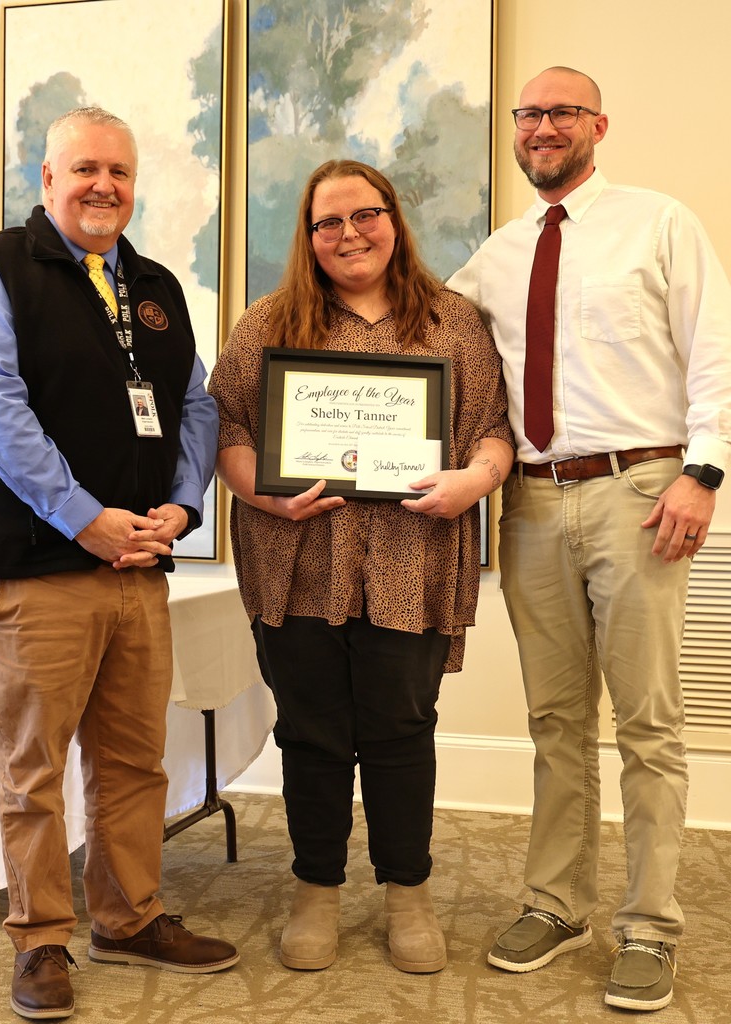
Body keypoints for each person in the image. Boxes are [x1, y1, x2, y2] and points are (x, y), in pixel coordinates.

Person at [447, 67, 731, 1011]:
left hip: (643, 493)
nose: (542, 127)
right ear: (515, 130)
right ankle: (556, 902)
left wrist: (704, 474)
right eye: (528, 114)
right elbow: (421, 350)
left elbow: (719, 355)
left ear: (597, 126)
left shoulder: (661, 223)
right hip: (533, 505)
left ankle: (651, 926)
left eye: (560, 112)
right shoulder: (494, 257)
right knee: (555, 721)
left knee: (649, 724)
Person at [0, 106, 237, 1021]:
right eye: (84, 169)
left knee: (134, 762)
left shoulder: (153, 284)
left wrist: (183, 507)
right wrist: (84, 520)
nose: (103, 185)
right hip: (38, 569)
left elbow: (196, 404)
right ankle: (40, 941)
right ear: (46, 178)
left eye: (119, 170)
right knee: (34, 768)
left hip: (140, 569)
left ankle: (129, 915)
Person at [207, 159, 515, 974]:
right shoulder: (269, 323)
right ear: (308, 237)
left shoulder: (454, 322)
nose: (349, 234)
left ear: (393, 219)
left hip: (414, 559)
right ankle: (317, 892)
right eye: (328, 223)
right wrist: (266, 497)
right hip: (296, 557)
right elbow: (228, 430)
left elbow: (492, 431)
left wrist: (471, 483)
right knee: (310, 735)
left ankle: (407, 895)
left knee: (400, 732)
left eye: (364, 215)